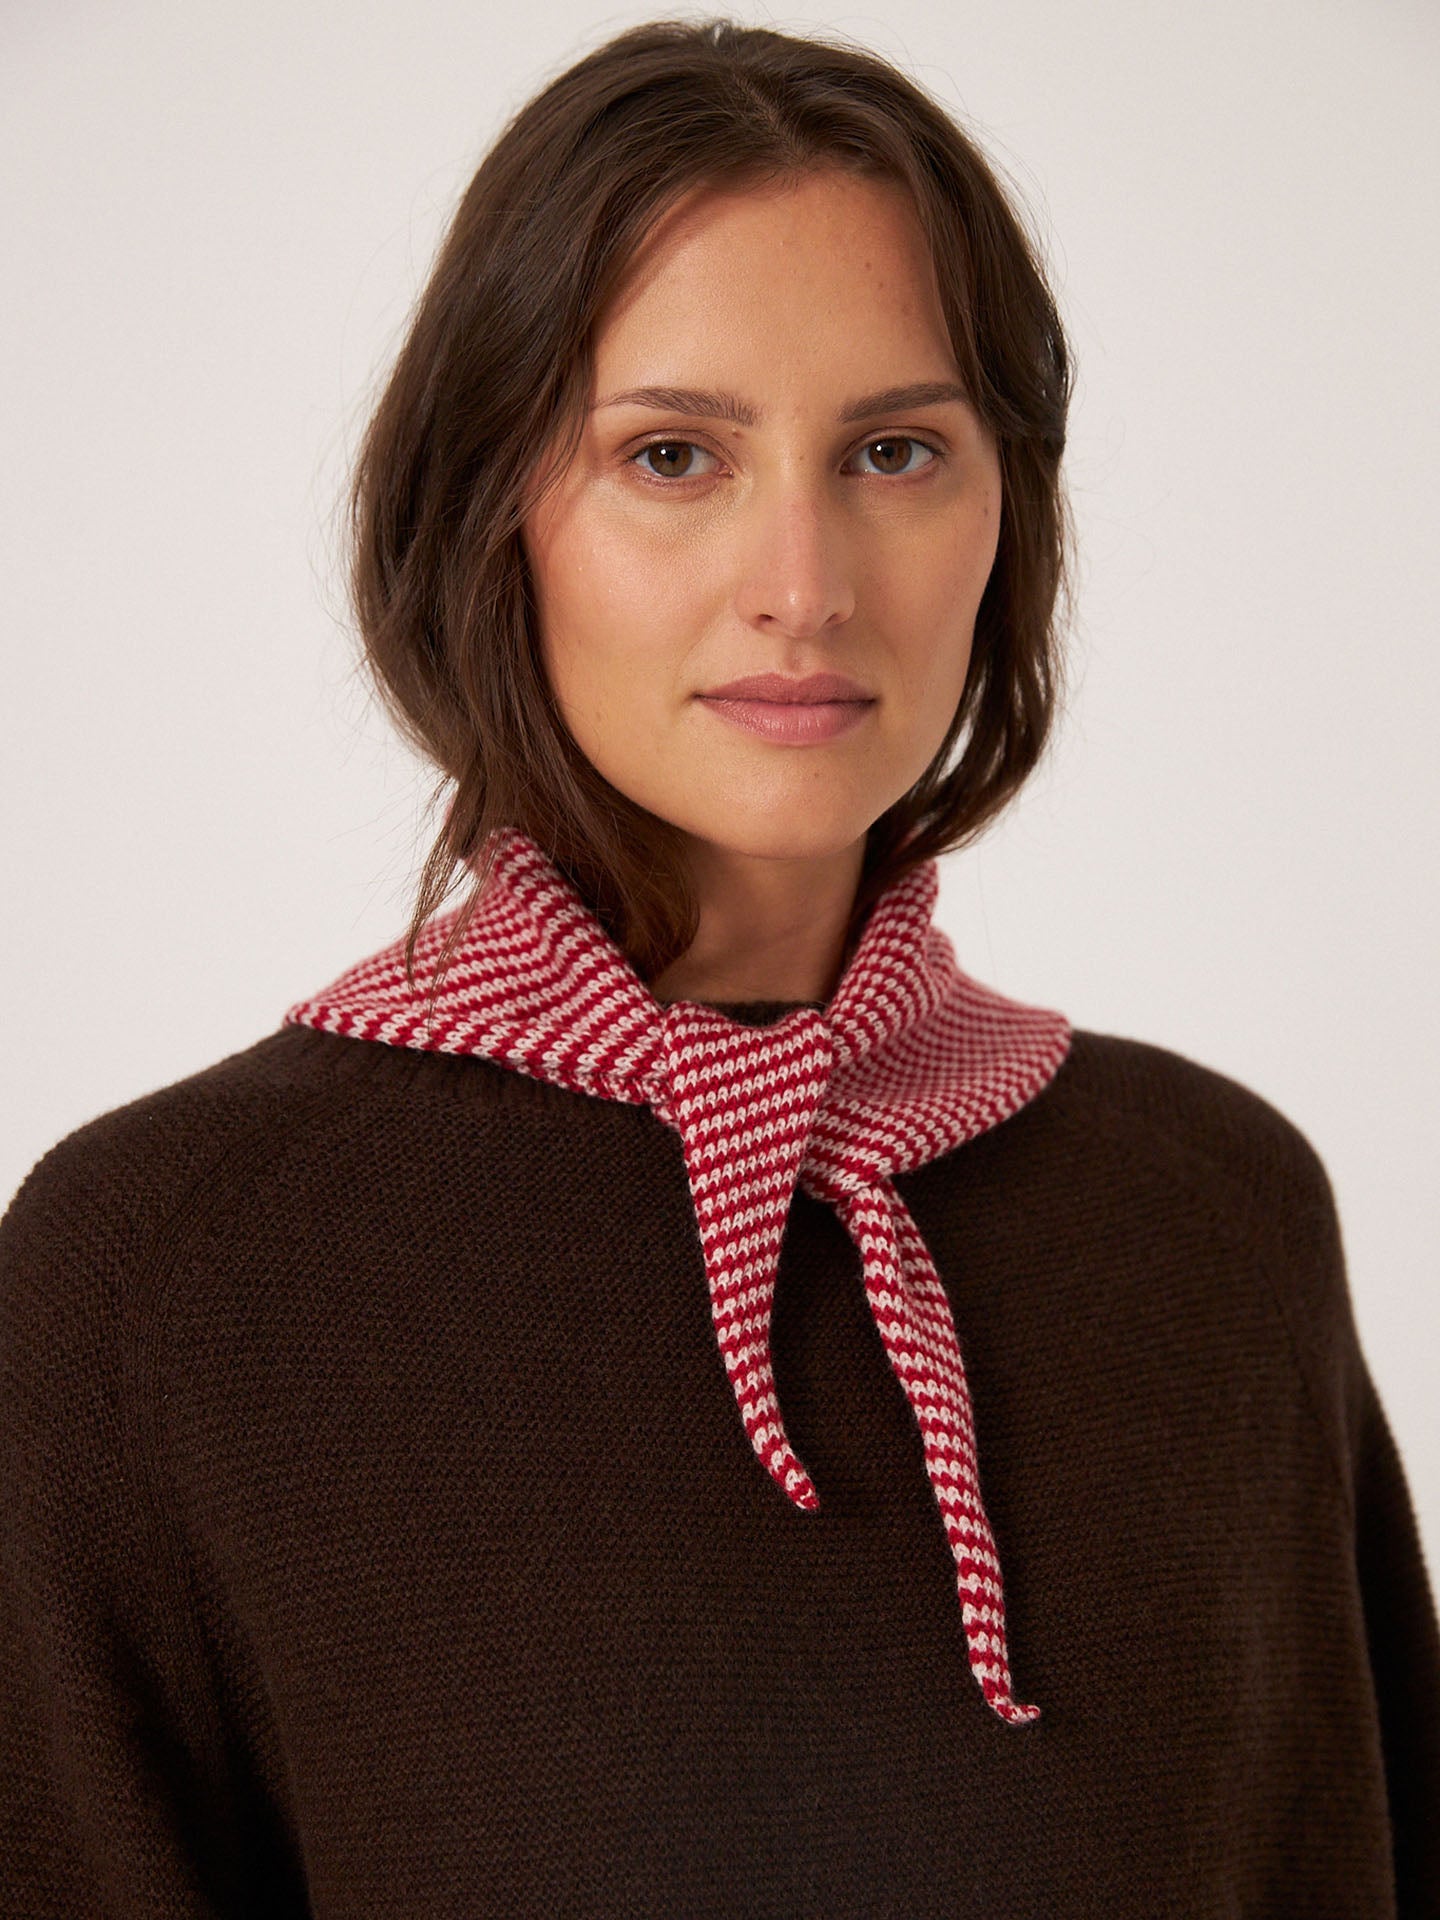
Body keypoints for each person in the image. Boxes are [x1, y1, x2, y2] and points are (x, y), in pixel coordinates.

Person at [2, 16, 1437, 1916]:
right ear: (488, 512)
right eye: (672, 454)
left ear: (1010, 518)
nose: (805, 579)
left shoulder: (1217, 1220)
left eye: (897, 451)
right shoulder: (163, 1277)